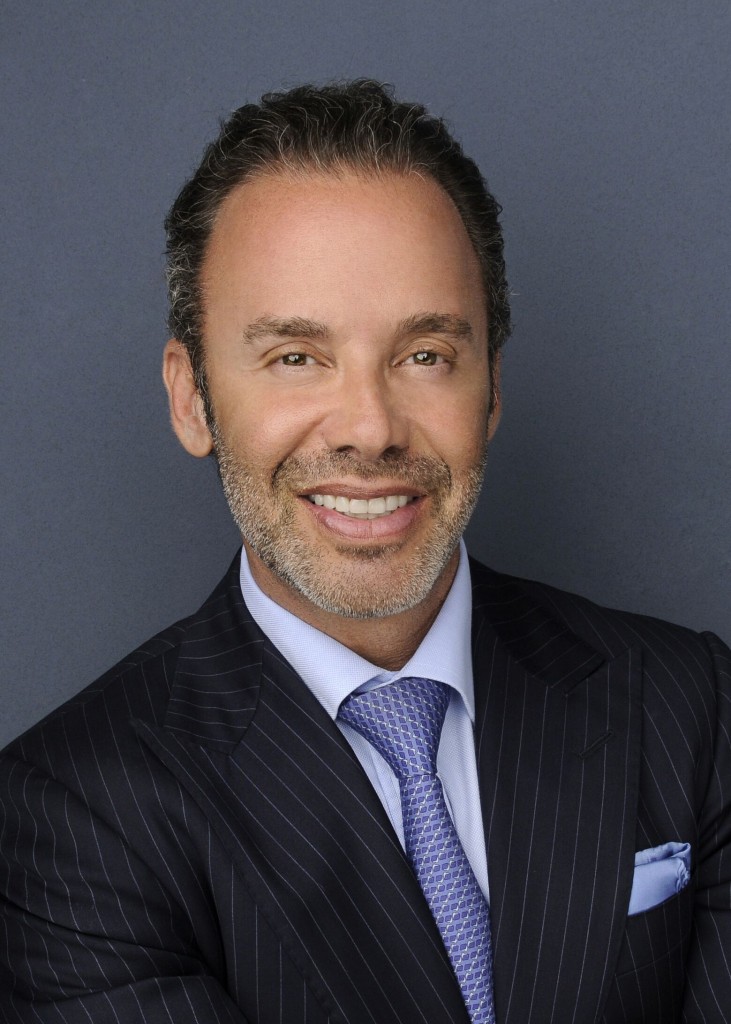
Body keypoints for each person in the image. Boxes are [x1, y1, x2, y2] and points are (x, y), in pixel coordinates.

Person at [0, 80, 729, 1024]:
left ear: (491, 389)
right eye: (296, 357)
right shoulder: (71, 813)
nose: (370, 428)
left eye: (424, 354)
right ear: (191, 399)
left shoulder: (692, 708)